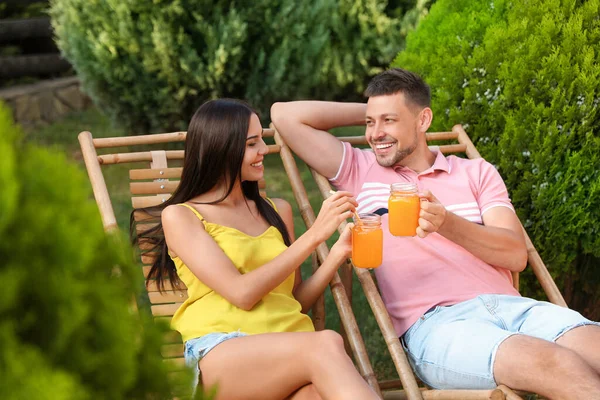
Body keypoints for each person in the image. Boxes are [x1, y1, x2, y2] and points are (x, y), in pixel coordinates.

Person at [271, 68, 600, 399]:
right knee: (554, 362)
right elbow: (284, 115)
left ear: (423, 119)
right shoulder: (360, 170)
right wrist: (379, 111)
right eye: (371, 123)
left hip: (513, 308)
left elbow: (515, 255)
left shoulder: (475, 173)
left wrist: (447, 223)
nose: (375, 133)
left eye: (389, 121)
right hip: (438, 326)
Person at [134, 99, 380, 400]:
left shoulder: (277, 211)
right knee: (326, 342)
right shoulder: (182, 216)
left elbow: (292, 302)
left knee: (315, 395)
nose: (264, 149)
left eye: (262, 139)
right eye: (253, 143)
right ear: (222, 149)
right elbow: (242, 294)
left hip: (289, 351)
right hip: (224, 354)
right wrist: (314, 235)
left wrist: (337, 254)